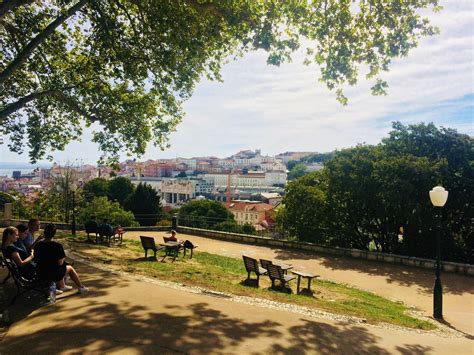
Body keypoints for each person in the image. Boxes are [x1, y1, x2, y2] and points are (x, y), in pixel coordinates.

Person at [34, 223, 88, 294]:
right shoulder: (57, 246)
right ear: (54, 234)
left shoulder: (38, 245)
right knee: (70, 268)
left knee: (60, 266)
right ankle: (81, 287)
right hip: (52, 273)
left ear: (44, 232)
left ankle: (62, 285)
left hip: (40, 272)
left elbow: (36, 259)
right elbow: (60, 263)